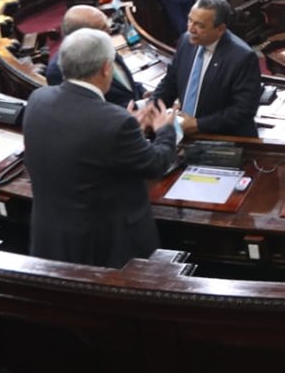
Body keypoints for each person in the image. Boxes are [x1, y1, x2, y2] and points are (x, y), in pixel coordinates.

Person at [24, 28, 178, 268]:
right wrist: (165, 129)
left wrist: (128, 131)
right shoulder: (114, 121)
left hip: (51, 239)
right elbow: (156, 164)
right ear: (107, 68)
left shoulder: (38, 99)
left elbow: (84, 147)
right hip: (107, 250)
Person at [153, 0, 263, 137]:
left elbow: (243, 109)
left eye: (200, 25)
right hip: (184, 132)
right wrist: (152, 108)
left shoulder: (242, 57)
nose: (191, 29)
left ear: (220, 29)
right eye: (190, 20)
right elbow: (170, 82)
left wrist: (199, 125)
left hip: (224, 137)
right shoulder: (186, 41)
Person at [44, 4, 144, 108]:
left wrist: (142, 92)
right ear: (82, 37)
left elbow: (123, 82)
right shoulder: (59, 70)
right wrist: (140, 106)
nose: (110, 31)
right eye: (103, 28)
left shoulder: (102, 44)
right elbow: (88, 110)